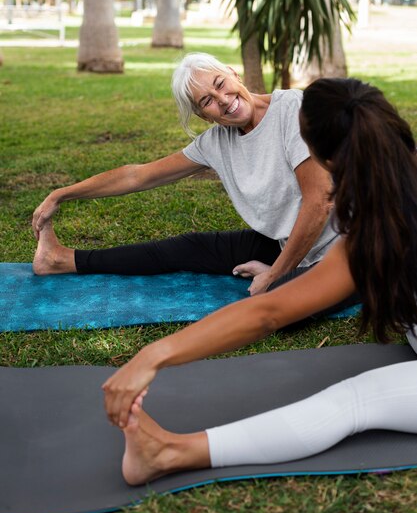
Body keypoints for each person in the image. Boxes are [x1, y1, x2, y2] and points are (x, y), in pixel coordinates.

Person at [99, 76, 417, 486]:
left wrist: (152, 356)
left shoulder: (369, 235)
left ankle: (167, 454)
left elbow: (269, 313)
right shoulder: (380, 216)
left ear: (326, 160)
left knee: (353, 401)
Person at [32, 52, 348, 306]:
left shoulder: (294, 108)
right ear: (202, 115)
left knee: (271, 306)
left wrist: (276, 273)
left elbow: (319, 201)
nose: (222, 99)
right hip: (296, 244)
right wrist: (62, 193)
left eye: (220, 83)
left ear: (233, 73)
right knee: (190, 247)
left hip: (355, 249)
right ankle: (61, 259)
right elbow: (137, 176)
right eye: (207, 100)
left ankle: (298, 275)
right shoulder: (216, 143)